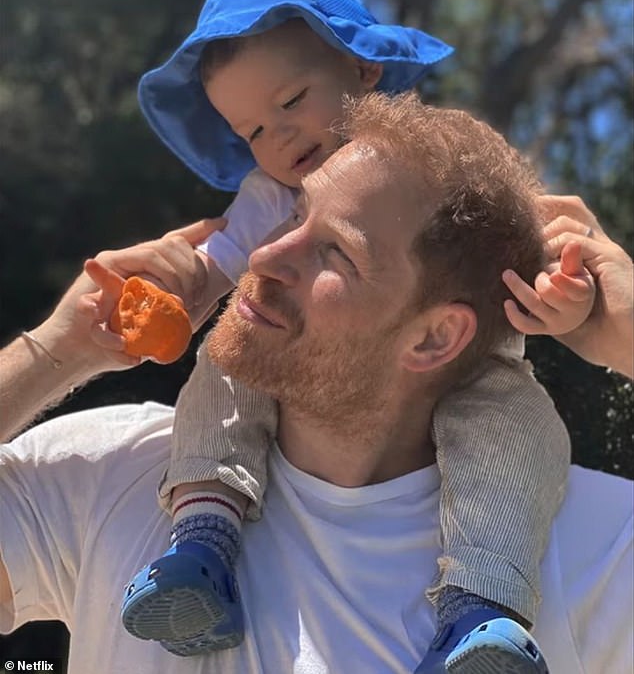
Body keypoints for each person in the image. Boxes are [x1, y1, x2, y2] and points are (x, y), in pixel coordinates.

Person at [81, 0, 593, 672]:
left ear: (364, 69)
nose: (279, 137)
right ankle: (203, 540)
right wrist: (164, 301)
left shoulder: (436, 158)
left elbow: (516, 246)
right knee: (226, 363)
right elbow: (216, 265)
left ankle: (483, 608)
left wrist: (562, 297)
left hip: (468, 368)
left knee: (518, 421)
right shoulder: (266, 198)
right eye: (253, 129)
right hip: (315, 380)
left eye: (291, 99)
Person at [0, 95, 631, 674]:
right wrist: (57, 350)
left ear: (435, 337)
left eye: (335, 252)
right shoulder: (118, 470)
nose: (266, 257)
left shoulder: (588, 547)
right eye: (295, 212)